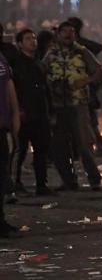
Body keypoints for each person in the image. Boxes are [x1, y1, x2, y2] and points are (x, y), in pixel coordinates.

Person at [43, 21, 102, 191]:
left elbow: (100, 72)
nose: (69, 34)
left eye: (71, 32)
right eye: (65, 31)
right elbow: (42, 73)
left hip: (78, 104)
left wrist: (84, 82)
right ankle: (69, 181)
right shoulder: (52, 54)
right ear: (58, 34)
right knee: (60, 146)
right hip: (58, 105)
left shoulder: (82, 52)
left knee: (84, 144)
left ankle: (94, 180)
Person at [10, 29, 55, 196]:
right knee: (20, 152)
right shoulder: (15, 65)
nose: (33, 41)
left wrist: (50, 110)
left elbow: (46, 89)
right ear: (20, 44)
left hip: (40, 113)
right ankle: (15, 184)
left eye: (34, 38)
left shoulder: (39, 64)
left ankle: (41, 185)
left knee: (41, 151)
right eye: (28, 39)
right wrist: (17, 110)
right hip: (24, 114)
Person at [67, 17, 102, 157]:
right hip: (81, 89)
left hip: (84, 89)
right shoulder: (81, 45)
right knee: (88, 121)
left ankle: (92, 148)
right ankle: (94, 147)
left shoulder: (80, 46)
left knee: (87, 120)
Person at [0, 52, 21, 238]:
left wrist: (15, 116)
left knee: (2, 173)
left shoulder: (2, 59)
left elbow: (9, 86)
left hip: (1, 126)